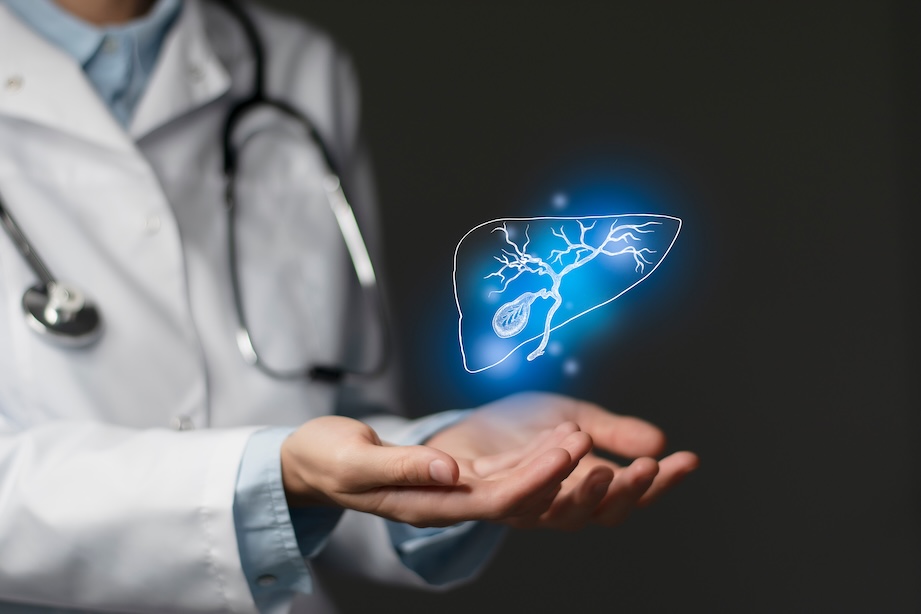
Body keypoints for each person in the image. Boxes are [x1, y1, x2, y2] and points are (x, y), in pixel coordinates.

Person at [0, 0, 699, 612]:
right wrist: (275, 475)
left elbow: (334, 424)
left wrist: (437, 457)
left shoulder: (297, 67)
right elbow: (289, 464)